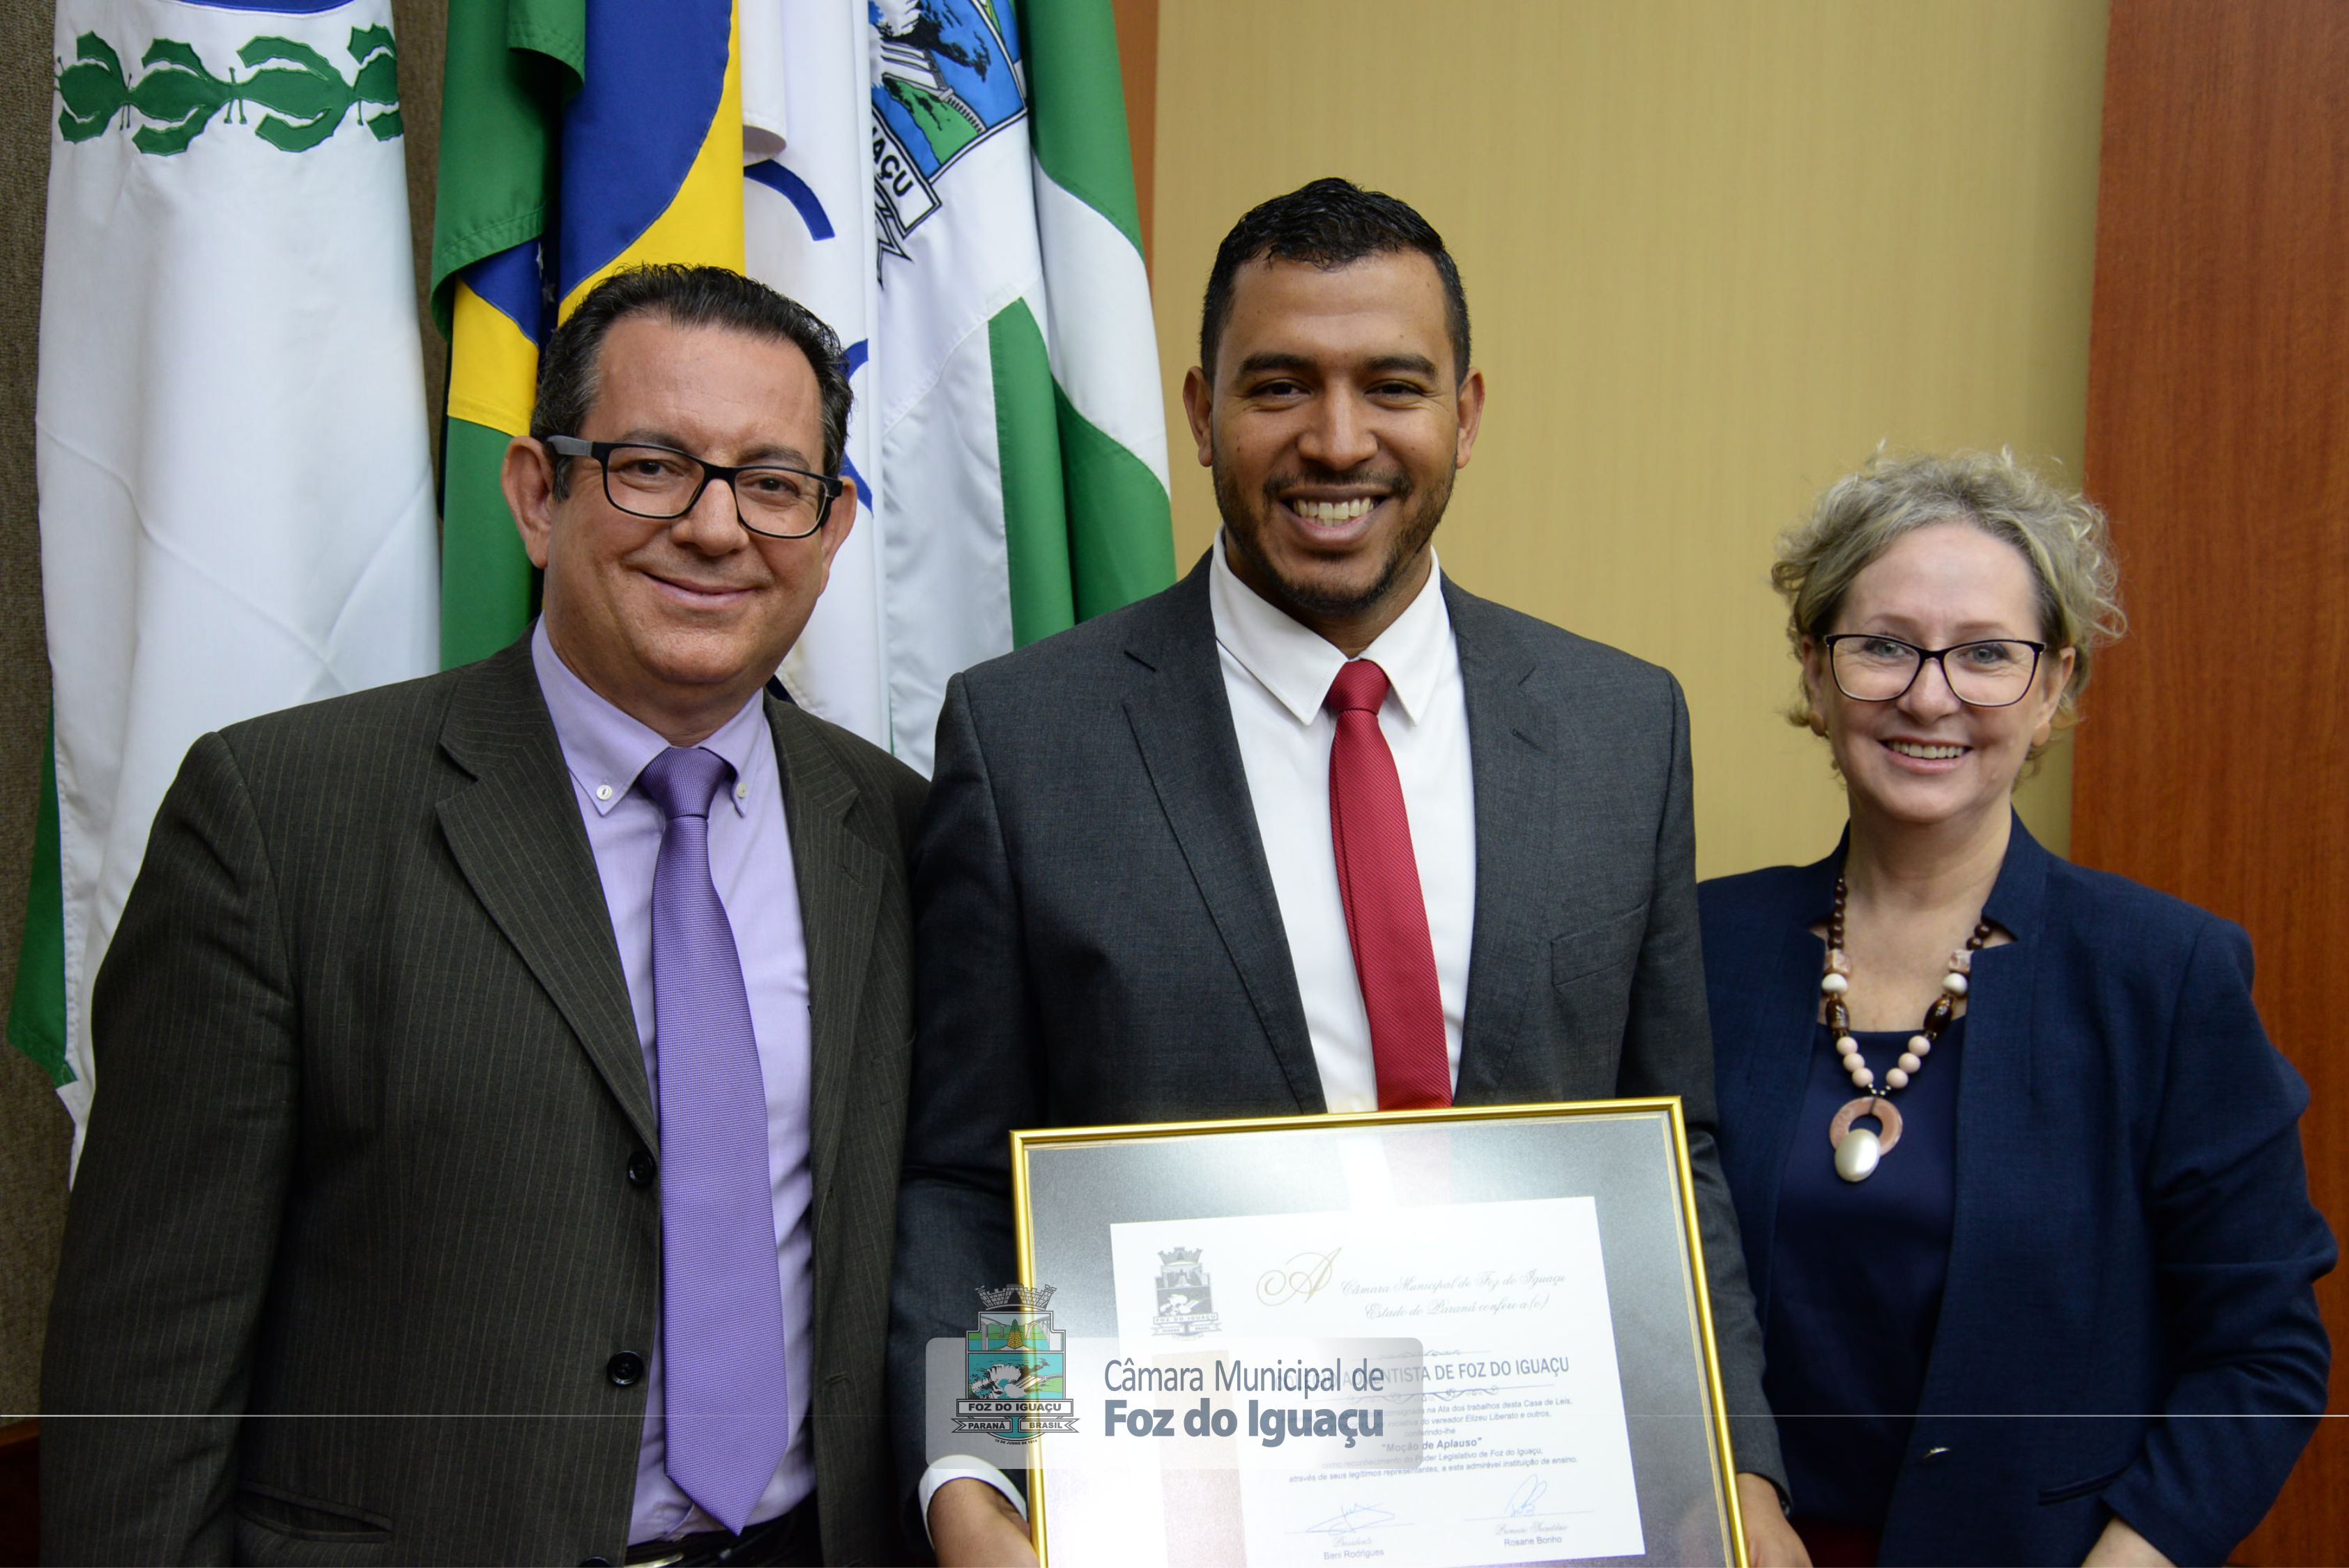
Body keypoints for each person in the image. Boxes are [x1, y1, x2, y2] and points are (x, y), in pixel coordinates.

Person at [893, 177, 1805, 1566]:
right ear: (1198, 411)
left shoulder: (1619, 729)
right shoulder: (1030, 740)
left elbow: (1672, 1155)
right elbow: (978, 1184)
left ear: (1465, 413)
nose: (1335, 441)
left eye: (1390, 385)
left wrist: (1733, 1474)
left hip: (1548, 1506)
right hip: (1185, 1510)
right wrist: (978, 1482)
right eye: (1278, 386)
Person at [41, 266, 924, 1567]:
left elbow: (964, 1228)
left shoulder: (904, 831)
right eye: (650, 465)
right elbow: (147, 1367)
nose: (715, 526)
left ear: (832, 528)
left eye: (772, 482)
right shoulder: (281, 819)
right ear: (534, 491)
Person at [1701, 449, 2334, 1567]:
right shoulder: (1703, 947)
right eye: (1883, 645)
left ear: (2053, 690)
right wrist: (1742, 1512)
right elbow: (1654, 1291)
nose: (1929, 692)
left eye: (1988, 654)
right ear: (1814, 669)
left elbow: (2261, 1353)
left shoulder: (2163, 973)